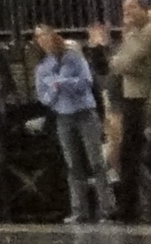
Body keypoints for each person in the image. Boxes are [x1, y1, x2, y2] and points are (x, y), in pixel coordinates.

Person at [33, 22, 109, 225]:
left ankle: (108, 208)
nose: (43, 40)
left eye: (45, 35)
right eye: (38, 37)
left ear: (53, 36)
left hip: (85, 112)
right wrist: (59, 87)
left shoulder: (73, 57)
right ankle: (79, 210)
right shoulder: (42, 68)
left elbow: (85, 82)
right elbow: (44, 97)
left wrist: (61, 83)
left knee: (96, 162)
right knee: (73, 164)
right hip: (63, 116)